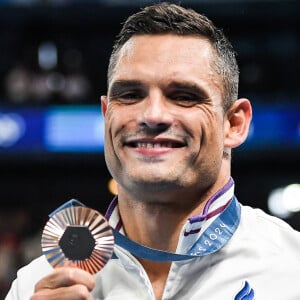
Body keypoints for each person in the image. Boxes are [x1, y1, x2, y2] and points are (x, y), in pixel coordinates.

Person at [6, 2, 300, 300]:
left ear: (234, 124)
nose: (153, 114)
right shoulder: (36, 284)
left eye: (184, 96)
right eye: (131, 95)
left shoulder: (292, 268)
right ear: (107, 114)